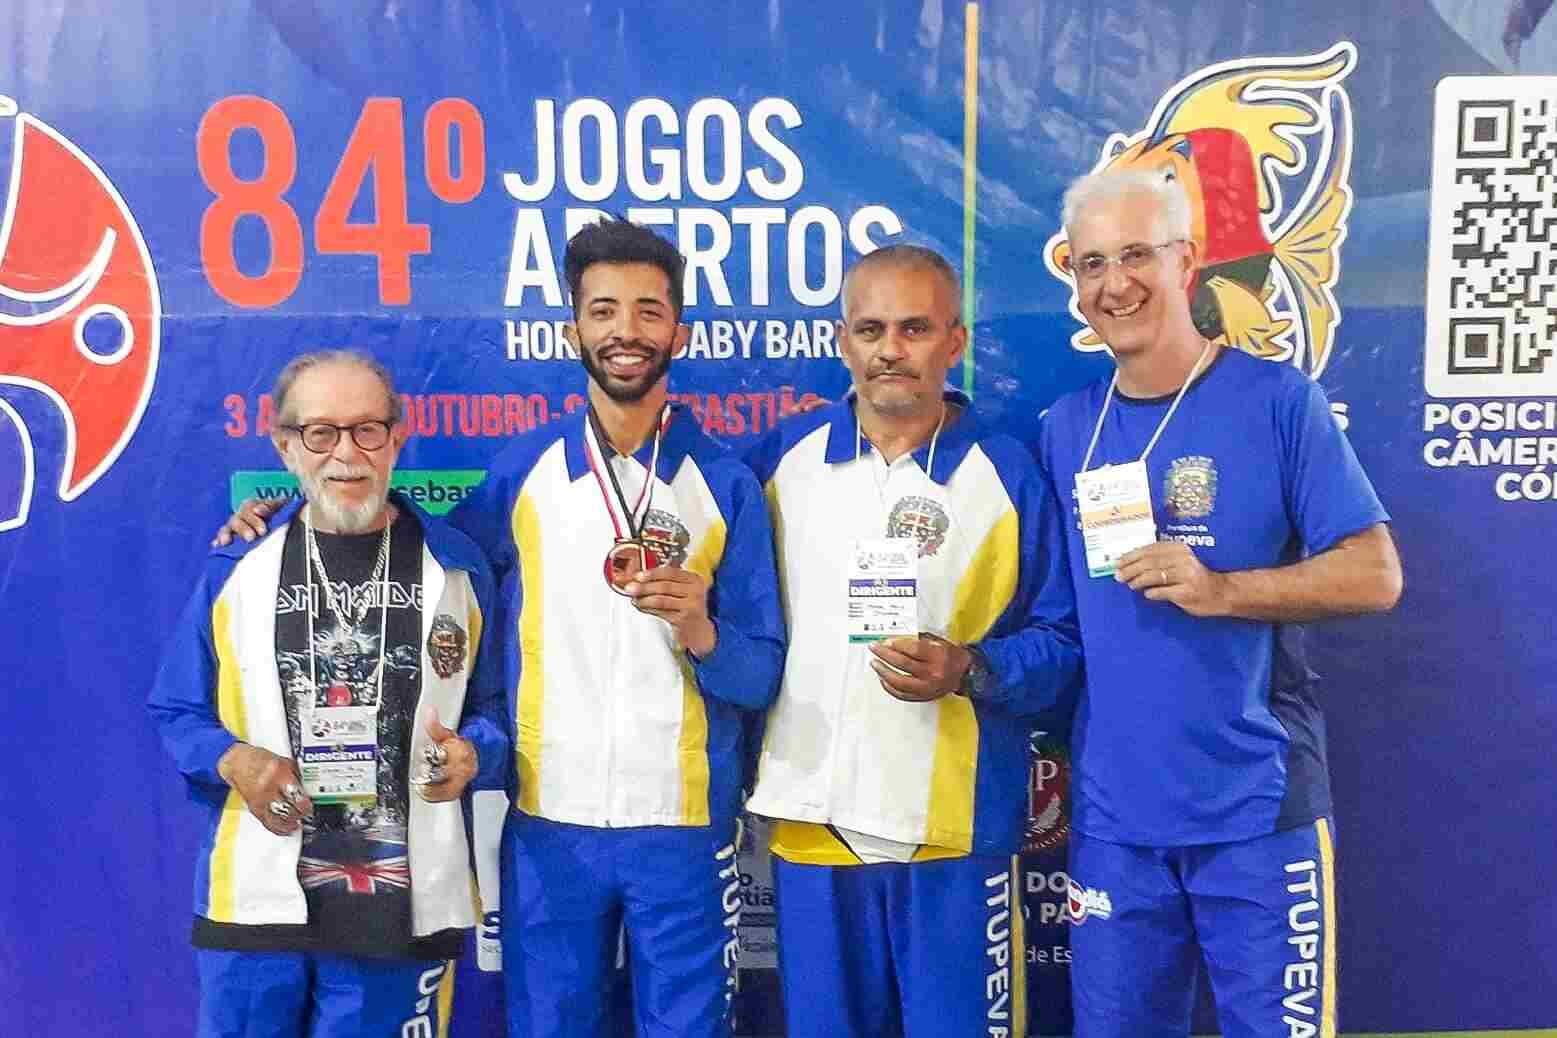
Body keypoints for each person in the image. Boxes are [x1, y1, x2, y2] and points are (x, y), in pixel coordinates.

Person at [219, 218, 787, 1037]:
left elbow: (759, 677)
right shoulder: (523, 473)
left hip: (686, 825)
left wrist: (702, 629)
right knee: (549, 1024)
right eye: (602, 311)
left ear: (679, 333)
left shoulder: (726, 485)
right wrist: (280, 522)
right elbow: (418, 560)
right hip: (547, 820)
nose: (625, 331)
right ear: (573, 332)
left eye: (648, 311)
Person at [1038, 169, 1403, 1038]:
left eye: (1136, 255)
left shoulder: (1277, 402)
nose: (1114, 284)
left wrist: (1223, 590)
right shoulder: (1064, 427)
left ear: (1186, 261)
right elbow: (1059, 623)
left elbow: (1374, 574)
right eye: (1092, 263)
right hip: (1115, 820)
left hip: (1255, 809)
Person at [743, 244, 1083, 1037]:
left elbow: (1063, 642)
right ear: (842, 342)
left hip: (953, 833)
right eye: (870, 329)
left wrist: (973, 668)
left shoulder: (1008, 474)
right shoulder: (780, 462)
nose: (889, 349)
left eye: (914, 328)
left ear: (954, 342)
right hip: (812, 823)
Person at [150, 350, 508, 1038]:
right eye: (320, 433)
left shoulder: (458, 569)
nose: (346, 453)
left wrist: (473, 754)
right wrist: (236, 761)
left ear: (397, 438)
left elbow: (494, 710)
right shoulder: (237, 567)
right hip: (258, 899)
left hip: (401, 905)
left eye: (367, 429)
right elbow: (177, 709)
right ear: (285, 446)